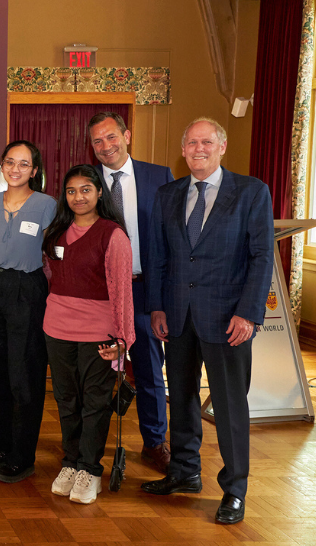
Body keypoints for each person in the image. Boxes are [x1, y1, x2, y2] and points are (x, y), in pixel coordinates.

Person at [142, 118, 274, 525]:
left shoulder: (251, 192)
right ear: (183, 151)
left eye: (206, 142)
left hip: (228, 319)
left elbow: (262, 257)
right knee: (179, 398)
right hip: (177, 316)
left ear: (222, 147)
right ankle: (184, 472)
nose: (198, 149)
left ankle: (235, 490)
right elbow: (159, 257)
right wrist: (158, 307)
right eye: (192, 143)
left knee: (230, 406)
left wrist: (249, 313)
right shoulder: (168, 194)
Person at [41, 164, 134, 505]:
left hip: (98, 333)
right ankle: (71, 462)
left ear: (98, 194)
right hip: (57, 329)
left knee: (94, 402)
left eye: (85, 190)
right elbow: (54, 274)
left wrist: (123, 341)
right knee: (66, 400)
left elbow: (123, 291)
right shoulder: (57, 232)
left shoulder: (113, 235)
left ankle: (90, 469)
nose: (78, 197)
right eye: (71, 191)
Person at [89, 111, 174, 473]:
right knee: (93, 370)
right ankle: (86, 443)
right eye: (97, 141)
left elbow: (173, 236)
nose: (106, 146)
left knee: (149, 369)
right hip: (99, 294)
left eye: (111, 137)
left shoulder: (160, 177)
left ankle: (155, 443)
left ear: (126, 135)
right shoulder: (86, 180)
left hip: (144, 290)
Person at [0, 141, 56, 482]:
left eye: (24, 164)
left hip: (28, 289)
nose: (16, 169)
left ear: (34, 170)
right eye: (10, 162)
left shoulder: (47, 205)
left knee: (24, 374)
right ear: (2, 165)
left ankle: (23, 456)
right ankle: (3, 446)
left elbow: (57, 249)